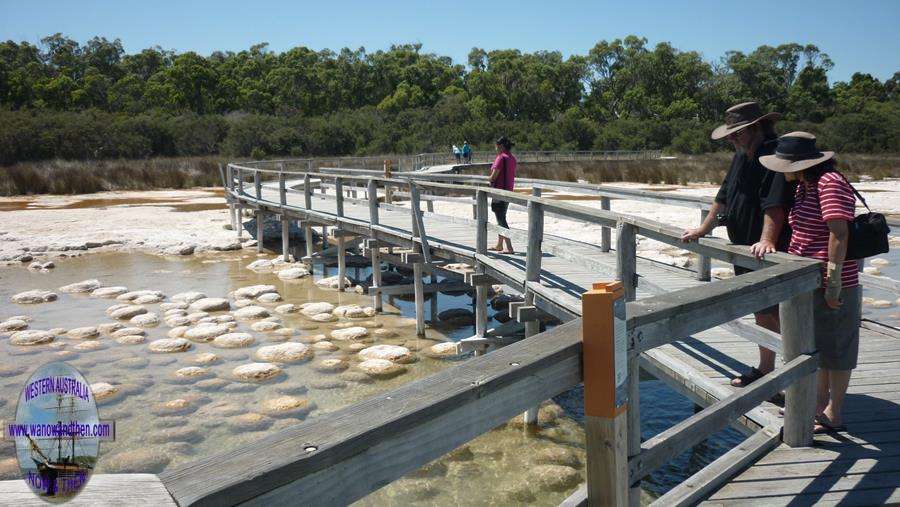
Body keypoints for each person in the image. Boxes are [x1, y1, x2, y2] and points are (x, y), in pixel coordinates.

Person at [681, 102, 793, 388]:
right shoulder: (742, 154)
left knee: (782, 312)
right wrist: (703, 228)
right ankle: (766, 368)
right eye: (730, 134)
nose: (732, 139)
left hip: (772, 250)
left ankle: (792, 376)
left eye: (737, 133)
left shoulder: (773, 153)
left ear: (756, 128)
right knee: (761, 308)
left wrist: (767, 239)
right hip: (744, 247)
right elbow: (724, 195)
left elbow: (775, 202)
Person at [760, 132, 860, 433]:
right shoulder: (807, 184)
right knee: (817, 345)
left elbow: (839, 233)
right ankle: (817, 405)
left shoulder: (829, 183)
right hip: (810, 280)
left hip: (833, 281)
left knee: (837, 347)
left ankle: (834, 412)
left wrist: (833, 283)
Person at [488, 136, 516, 253]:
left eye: (497, 146)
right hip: (508, 191)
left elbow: (494, 176)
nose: (495, 148)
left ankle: (509, 247)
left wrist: (489, 179)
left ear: (501, 146)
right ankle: (499, 245)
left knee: (501, 219)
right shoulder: (512, 158)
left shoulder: (501, 158)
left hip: (499, 192)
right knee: (501, 216)